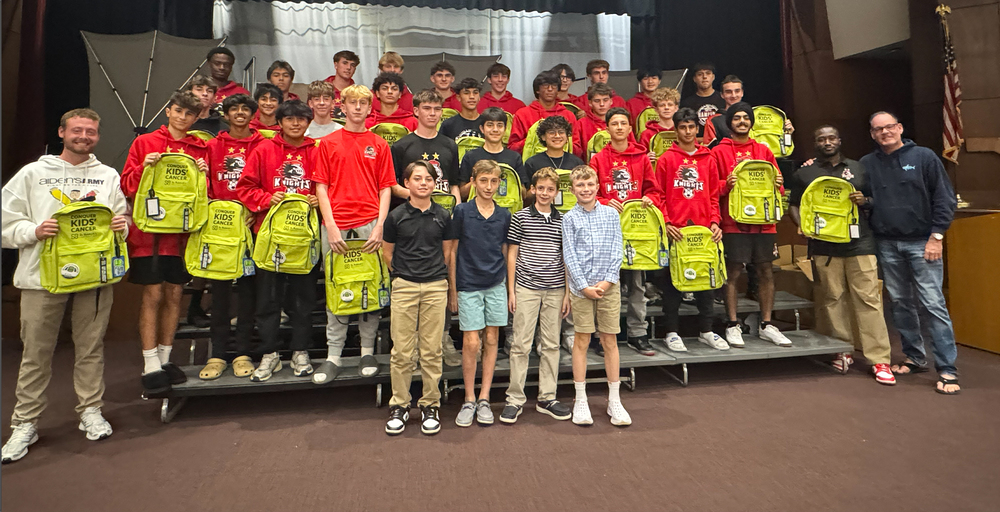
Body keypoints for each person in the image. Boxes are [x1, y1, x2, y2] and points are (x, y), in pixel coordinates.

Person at [1, 108, 126, 463]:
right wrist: (33, 231)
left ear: (98, 137)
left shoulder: (106, 176)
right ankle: (24, 422)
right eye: (77, 130)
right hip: (41, 277)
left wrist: (123, 225)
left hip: (95, 275)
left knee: (91, 347)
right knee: (36, 353)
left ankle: (90, 410)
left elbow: (122, 217)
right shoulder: (33, 174)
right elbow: (6, 224)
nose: (84, 136)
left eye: (91, 131)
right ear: (62, 132)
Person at [788, 126, 895, 385]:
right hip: (824, 247)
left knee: (868, 299)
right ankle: (842, 349)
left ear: (839, 140)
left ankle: (879, 359)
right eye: (821, 139)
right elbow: (794, 204)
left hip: (860, 244)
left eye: (831, 138)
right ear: (815, 142)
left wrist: (865, 201)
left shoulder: (860, 168)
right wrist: (801, 225)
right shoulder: (805, 172)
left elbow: (877, 198)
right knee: (832, 298)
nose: (827, 142)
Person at [861, 111, 960, 394]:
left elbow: (944, 198)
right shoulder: (868, 164)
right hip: (886, 243)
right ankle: (915, 357)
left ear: (900, 128)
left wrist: (937, 237)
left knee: (933, 304)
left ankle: (947, 369)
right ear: (872, 134)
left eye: (889, 127)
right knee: (901, 304)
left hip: (923, 243)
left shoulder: (924, 157)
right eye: (878, 129)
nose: (884, 132)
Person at [120, 91, 208, 395]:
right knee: (152, 296)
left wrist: (205, 175)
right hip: (149, 235)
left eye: (190, 114)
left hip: (182, 236)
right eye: (179, 111)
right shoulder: (144, 143)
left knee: (174, 295)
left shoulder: (200, 149)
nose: (183, 118)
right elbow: (127, 186)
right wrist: (144, 166)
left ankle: (167, 359)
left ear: (196, 119)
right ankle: (150, 363)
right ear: (168, 111)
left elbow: (204, 195)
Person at [313, 85, 397, 383]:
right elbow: (321, 187)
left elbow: (385, 187)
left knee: (370, 287)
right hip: (336, 226)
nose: (358, 107)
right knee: (337, 287)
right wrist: (330, 224)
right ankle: (333, 356)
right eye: (353, 102)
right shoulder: (327, 143)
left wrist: (380, 225)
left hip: (369, 224)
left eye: (364, 103)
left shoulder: (379, 144)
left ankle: (366, 351)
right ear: (343, 106)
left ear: (369, 107)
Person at [235, 99, 321, 382]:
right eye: (289, 118)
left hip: (305, 240)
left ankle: (300, 351)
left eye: (301, 119)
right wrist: (264, 198)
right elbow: (245, 186)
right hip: (269, 239)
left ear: (309, 122)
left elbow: (328, 186)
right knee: (267, 300)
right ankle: (269, 354)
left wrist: (318, 198)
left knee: (303, 300)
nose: (295, 123)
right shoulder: (264, 149)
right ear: (279, 122)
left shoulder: (317, 151)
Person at [383, 160, 458, 436]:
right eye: (417, 178)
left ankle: (430, 404)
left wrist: (441, 282)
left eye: (429, 178)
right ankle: (400, 406)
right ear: (407, 183)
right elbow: (387, 253)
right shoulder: (396, 216)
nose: (424, 183)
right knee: (402, 351)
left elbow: (447, 252)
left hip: (435, 286)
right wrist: (403, 276)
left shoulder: (443, 215)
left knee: (431, 351)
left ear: (434, 183)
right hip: (404, 286)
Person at [712, 102, 791, 349]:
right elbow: (712, 189)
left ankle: (767, 324)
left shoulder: (764, 150)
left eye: (746, 118)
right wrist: (727, 184)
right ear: (729, 122)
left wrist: (779, 182)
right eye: (737, 118)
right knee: (733, 271)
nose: (742, 122)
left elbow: (776, 187)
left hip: (764, 223)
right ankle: (732, 324)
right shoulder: (718, 151)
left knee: (766, 270)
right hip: (733, 222)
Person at [200, 94, 265, 381]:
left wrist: (255, 208)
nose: (239, 113)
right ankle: (217, 354)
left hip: (253, 228)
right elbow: (207, 187)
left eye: (245, 109)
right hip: (221, 230)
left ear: (253, 114)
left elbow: (265, 182)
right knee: (221, 292)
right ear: (225, 114)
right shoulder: (212, 146)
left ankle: (242, 353)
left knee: (250, 292)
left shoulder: (264, 145)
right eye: (234, 109)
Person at [501, 167, 573, 424]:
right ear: (532, 190)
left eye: (550, 189)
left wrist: (566, 292)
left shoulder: (563, 220)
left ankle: (547, 397)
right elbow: (512, 254)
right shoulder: (520, 217)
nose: (544, 193)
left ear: (556, 192)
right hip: (526, 288)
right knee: (520, 344)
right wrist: (511, 290)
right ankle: (515, 399)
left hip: (555, 289)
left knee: (551, 345)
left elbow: (566, 257)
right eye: (540, 188)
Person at [562, 165, 631, 427]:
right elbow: (569, 255)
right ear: (572, 189)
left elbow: (617, 251)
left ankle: (615, 400)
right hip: (581, 290)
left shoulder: (611, 215)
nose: (586, 189)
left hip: (608, 288)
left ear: (598, 186)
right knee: (581, 341)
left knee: (610, 341)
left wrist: (606, 282)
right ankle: (581, 400)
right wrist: (584, 286)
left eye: (590, 184)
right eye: (580, 185)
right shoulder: (569, 219)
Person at [589, 107, 660, 356]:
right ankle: (601, 336)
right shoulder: (598, 159)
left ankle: (637, 334)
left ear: (630, 129)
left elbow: (654, 189)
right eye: (614, 123)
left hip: (636, 233)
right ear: (607, 129)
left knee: (637, 287)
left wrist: (650, 198)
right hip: (606, 232)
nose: (619, 127)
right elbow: (589, 194)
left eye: (623, 123)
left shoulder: (641, 157)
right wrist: (604, 201)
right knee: (604, 285)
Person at [652, 108, 723, 352]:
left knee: (706, 281)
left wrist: (715, 221)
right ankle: (671, 332)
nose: (688, 131)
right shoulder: (666, 159)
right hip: (677, 230)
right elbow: (658, 194)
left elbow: (714, 194)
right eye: (682, 127)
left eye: (691, 127)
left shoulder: (709, 158)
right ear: (676, 130)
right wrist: (667, 222)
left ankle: (707, 331)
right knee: (673, 284)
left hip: (703, 229)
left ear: (697, 129)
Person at [450, 160, 511, 427]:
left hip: (495, 283)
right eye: (483, 180)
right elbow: (451, 251)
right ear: (473, 182)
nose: (488, 186)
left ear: (499, 183)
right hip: (467, 283)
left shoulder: (505, 214)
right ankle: (469, 397)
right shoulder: (461, 211)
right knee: (471, 342)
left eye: (494, 181)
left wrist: (509, 289)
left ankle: (485, 397)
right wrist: (453, 289)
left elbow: (507, 253)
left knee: (492, 336)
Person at [390, 90, 462, 205]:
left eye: (437, 109)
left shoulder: (450, 145)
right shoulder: (400, 146)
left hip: (443, 213)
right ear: (416, 111)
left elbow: (453, 186)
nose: (432, 113)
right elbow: (392, 186)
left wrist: (457, 212)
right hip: (411, 213)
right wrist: (419, 196)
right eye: (427, 108)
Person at [702, 75, 794, 148]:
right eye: (729, 92)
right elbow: (709, 150)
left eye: (737, 91)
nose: (733, 95)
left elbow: (770, 139)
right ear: (722, 95)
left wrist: (786, 133)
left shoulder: (756, 115)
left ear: (742, 92)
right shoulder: (714, 120)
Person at [458, 107, 526, 197]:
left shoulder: (514, 157)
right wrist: (478, 180)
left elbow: (524, 194)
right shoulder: (470, 156)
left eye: (499, 125)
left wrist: (509, 183)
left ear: (505, 129)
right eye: (490, 125)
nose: (495, 129)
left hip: (507, 208)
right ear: (482, 129)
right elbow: (461, 193)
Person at [508, 71, 576, 152]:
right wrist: (533, 140)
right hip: (530, 162)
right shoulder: (522, 114)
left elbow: (576, 146)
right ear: (537, 90)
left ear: (558, 90)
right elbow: (513, 147)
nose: (550, 89)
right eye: (545, 86)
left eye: (554, 86)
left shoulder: (568, 115)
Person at [572, 83, 636, 160]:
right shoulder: (581, 123)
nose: (602, 104)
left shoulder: (621, 122)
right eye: (597, 101)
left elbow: (633, 147)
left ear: (611, 101)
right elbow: (576, 152)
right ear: (590, 103)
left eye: (605, 100)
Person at [680, 62, 726, 133]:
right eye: (700, 74)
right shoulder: (687, 103)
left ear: (713, 77)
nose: (704, 77)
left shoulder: (723, 98)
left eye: (708, 73)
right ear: (694, 79)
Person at [639, 87, 680, 152]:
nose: (666, 108)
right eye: (662, 105)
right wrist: (647, 156)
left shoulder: (683, 130)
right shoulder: (647, 134)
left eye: (670, 105)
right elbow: (641, 156)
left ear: (676, 108)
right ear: (656, 109)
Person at [323, 50, 360, 119]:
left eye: (352, 65)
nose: (348, 67)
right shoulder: (321, 89)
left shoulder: (359, 93)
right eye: (345, 63)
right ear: (336, 65)